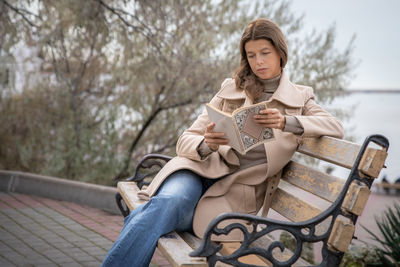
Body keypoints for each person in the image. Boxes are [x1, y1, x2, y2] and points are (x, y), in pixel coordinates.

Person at [102, 18, 344, 267]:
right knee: (166, 204)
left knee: (149, 215)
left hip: (233, 195)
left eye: (265, 53)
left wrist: (286, 122)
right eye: (251, 55)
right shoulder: (231, 88)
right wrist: (207, 143)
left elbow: (335, 126)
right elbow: (185, 140)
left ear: (281, 53)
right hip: (194, 174)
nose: (258, 62)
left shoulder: (300, 97)